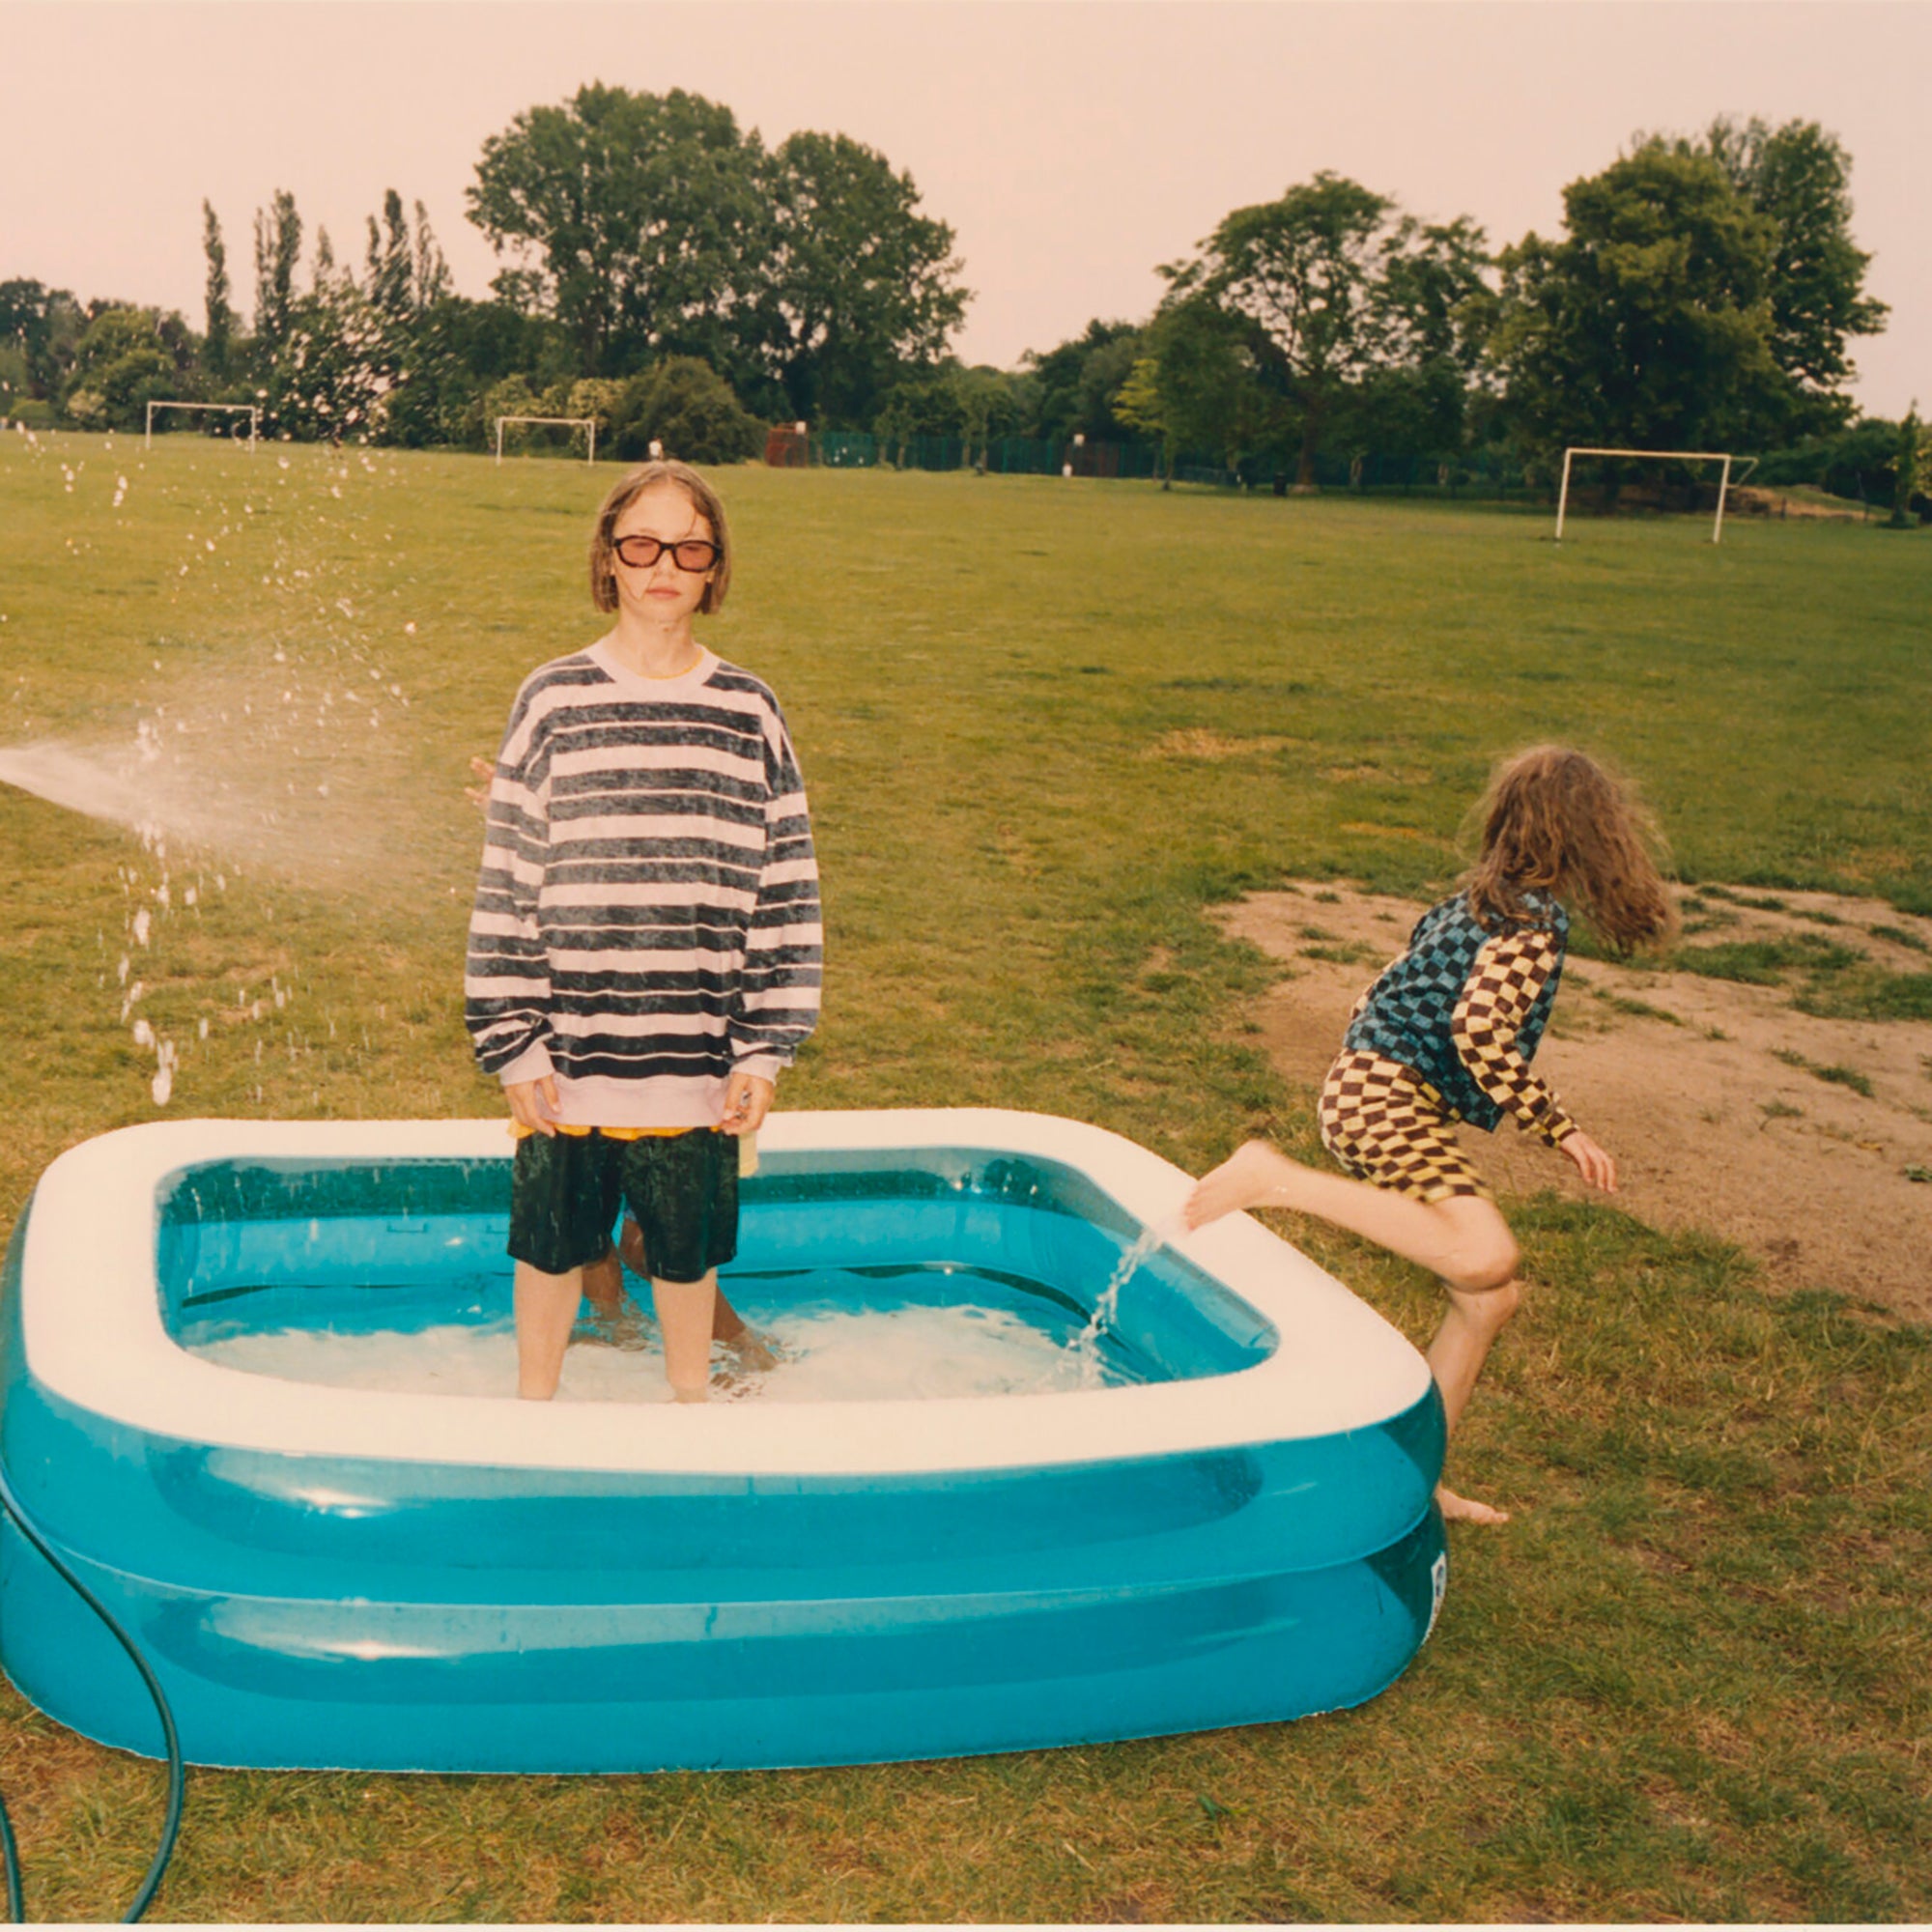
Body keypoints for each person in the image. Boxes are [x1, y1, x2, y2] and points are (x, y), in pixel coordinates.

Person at [1184, 745, 1676, 1524]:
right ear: (1592, 836)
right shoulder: (1534, 923)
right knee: (1487, 1255)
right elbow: (1479, 1031)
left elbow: (1377, 989)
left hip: (1370, 1090)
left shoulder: (1472, 905)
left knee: (1489, 1299)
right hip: (1382, 1099)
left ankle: (1414, 1483)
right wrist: (1561, 1129)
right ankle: (1272, 1177)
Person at [465, 460, 822, 1402]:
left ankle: (687, 1412)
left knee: (684, 1261)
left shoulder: (748, 709)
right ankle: (530, 1416)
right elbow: (506, 881)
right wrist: (514, 1043)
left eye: (689, 546)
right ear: (609, 559)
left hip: (697, 1057)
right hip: (566, 1054)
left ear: (713, 569)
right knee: (549, 1254)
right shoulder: (550, 698)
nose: (665, 562)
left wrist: (763, 1050)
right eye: (642, 543)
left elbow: (786, 888)